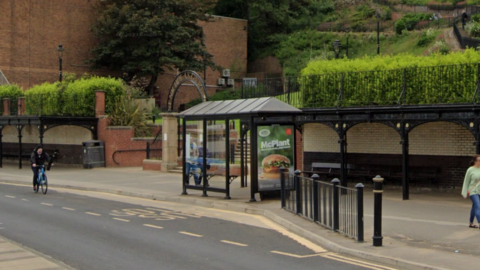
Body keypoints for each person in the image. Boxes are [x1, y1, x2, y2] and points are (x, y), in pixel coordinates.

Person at [461, 155, 480, 229]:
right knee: (478, 206)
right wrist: (464, 192)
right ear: (475, 161)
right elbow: (466, 181)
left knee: (475, 206)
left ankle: (471, 222)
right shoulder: (470, 170)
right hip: (473, 191)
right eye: (479, 160)